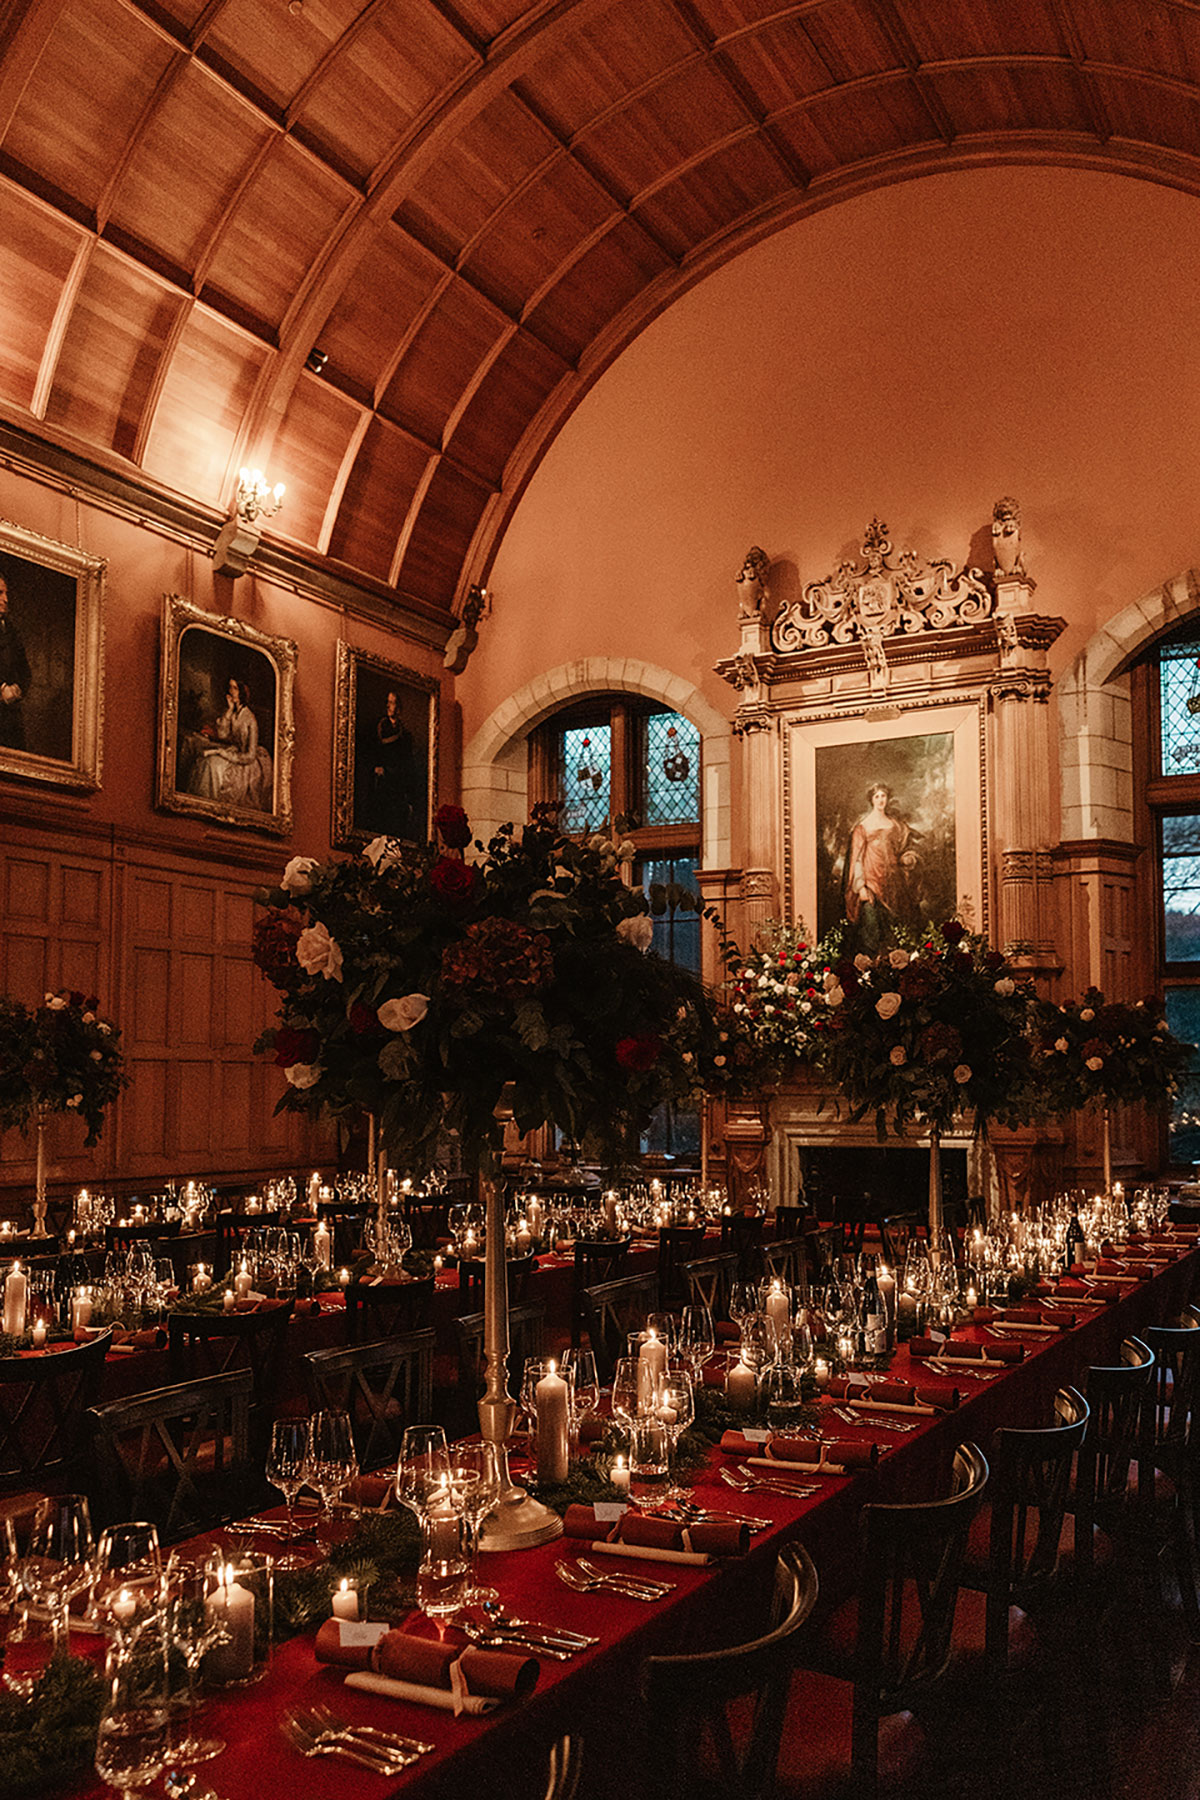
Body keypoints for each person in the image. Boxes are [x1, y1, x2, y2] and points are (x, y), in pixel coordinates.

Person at [843, 782, 921, 953]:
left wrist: (908, 857)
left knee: (897, 928)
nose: (880, 800)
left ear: (888, 798)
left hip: (894, 884)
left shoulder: (896, 826)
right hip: (872, 883)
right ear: (871, 800)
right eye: (877, 796)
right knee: (872, 926)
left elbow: (905, 848)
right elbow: (857, 860)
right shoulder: (862, 827)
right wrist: (860, 887)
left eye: (883, 796)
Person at [187, 675, 272, 810]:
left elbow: (250, 756)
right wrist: (229, 710)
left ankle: (208, 806)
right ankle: (200, 803)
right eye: (230, 687)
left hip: (247, 761)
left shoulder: (250, 718)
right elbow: (222, 734)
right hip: (234, 752)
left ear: (242, 691)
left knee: (213, 765)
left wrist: (224, 754)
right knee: (205, 762)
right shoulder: (232, 712)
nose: (231, 691)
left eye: (235, 688)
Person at [367, 689, 417, 836]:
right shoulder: (379, 728)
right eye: (388, 702)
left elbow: (407, 762)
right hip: (383, 779)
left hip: (398, 780)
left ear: (398, 707)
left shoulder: (405, 735)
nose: (389, 706)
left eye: (392, 703)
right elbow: (373, 752)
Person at [0, 574, 31, 752]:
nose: (6, 599)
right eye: (0, 593)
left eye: (6, 593)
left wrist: (17, 689)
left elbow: (25, 670)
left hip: (11, 719)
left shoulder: (12, 630)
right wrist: (1, 689)